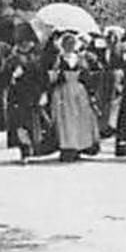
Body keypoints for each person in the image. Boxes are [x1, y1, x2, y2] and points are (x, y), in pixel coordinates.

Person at [47, 32, 100, 162]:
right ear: (62, 45)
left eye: (72, 43)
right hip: (63, 91)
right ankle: (66, 148)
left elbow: (87, 75)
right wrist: (58, 74)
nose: (69, 46)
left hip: (78, 91)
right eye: (67, 43)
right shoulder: (58, 59)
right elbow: (51, 76)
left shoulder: (80, 58)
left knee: (79, 119)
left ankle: (78, 146)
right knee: (65, 121)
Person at [4, 34, 54, 163]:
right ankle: (24, 151)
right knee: (20, 124)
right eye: (21, 42)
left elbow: (43, 77)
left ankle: (35, 148)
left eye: (27, 42)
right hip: (18, 96)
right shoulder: (12, 59)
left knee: (34, 124)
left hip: (34, 94)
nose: (25, 44)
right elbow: (2, 79)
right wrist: (13, 75)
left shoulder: (37, 58)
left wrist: (44, 93)